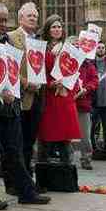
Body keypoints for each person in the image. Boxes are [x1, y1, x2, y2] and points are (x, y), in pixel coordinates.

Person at [0, 3, 50, 208]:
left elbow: (12, 69)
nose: (2, 24)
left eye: (4, 20)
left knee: (15, 151)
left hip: (11, 105)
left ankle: (25, 192)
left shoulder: (6, 40)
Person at [36, 16, 81, 164]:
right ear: (48, 29)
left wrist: (66, 85)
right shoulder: (42, 48)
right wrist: (51, 84)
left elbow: (75, 73)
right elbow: (38, 73)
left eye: (59, 27)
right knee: (45, 139)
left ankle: (66, 178)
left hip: (64, 98)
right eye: (53, 27)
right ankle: (43, 179)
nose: (57, 30)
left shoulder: (69, 49)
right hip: (49, 98)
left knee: (65, 141)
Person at [7, 3, 43, 176]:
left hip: (36, 97)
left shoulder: (38, 40)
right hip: (19, 97)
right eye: (30, 16)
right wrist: (27, 83)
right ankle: (17, 179)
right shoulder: (11, 37)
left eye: (35, 16)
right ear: (20, 18)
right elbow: (8, 68)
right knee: (17, 142)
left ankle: (28, 177)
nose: (33, 18)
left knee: (30, 140)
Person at [90, 42, 106, 161]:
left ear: (105, 49)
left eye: (102, 48)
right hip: (94, 102)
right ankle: (93, 150)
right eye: (98, 47)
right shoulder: (91, 63)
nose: (100, 49)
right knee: (93, 128)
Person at [74, 49, 98, 170]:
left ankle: (86, 159)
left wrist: (86, 89)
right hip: (68, 104)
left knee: (85, 136)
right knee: (66, 135)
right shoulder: (68, 63)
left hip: (83, 105)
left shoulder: (89, 65)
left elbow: (94, 81)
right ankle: (67, 158)